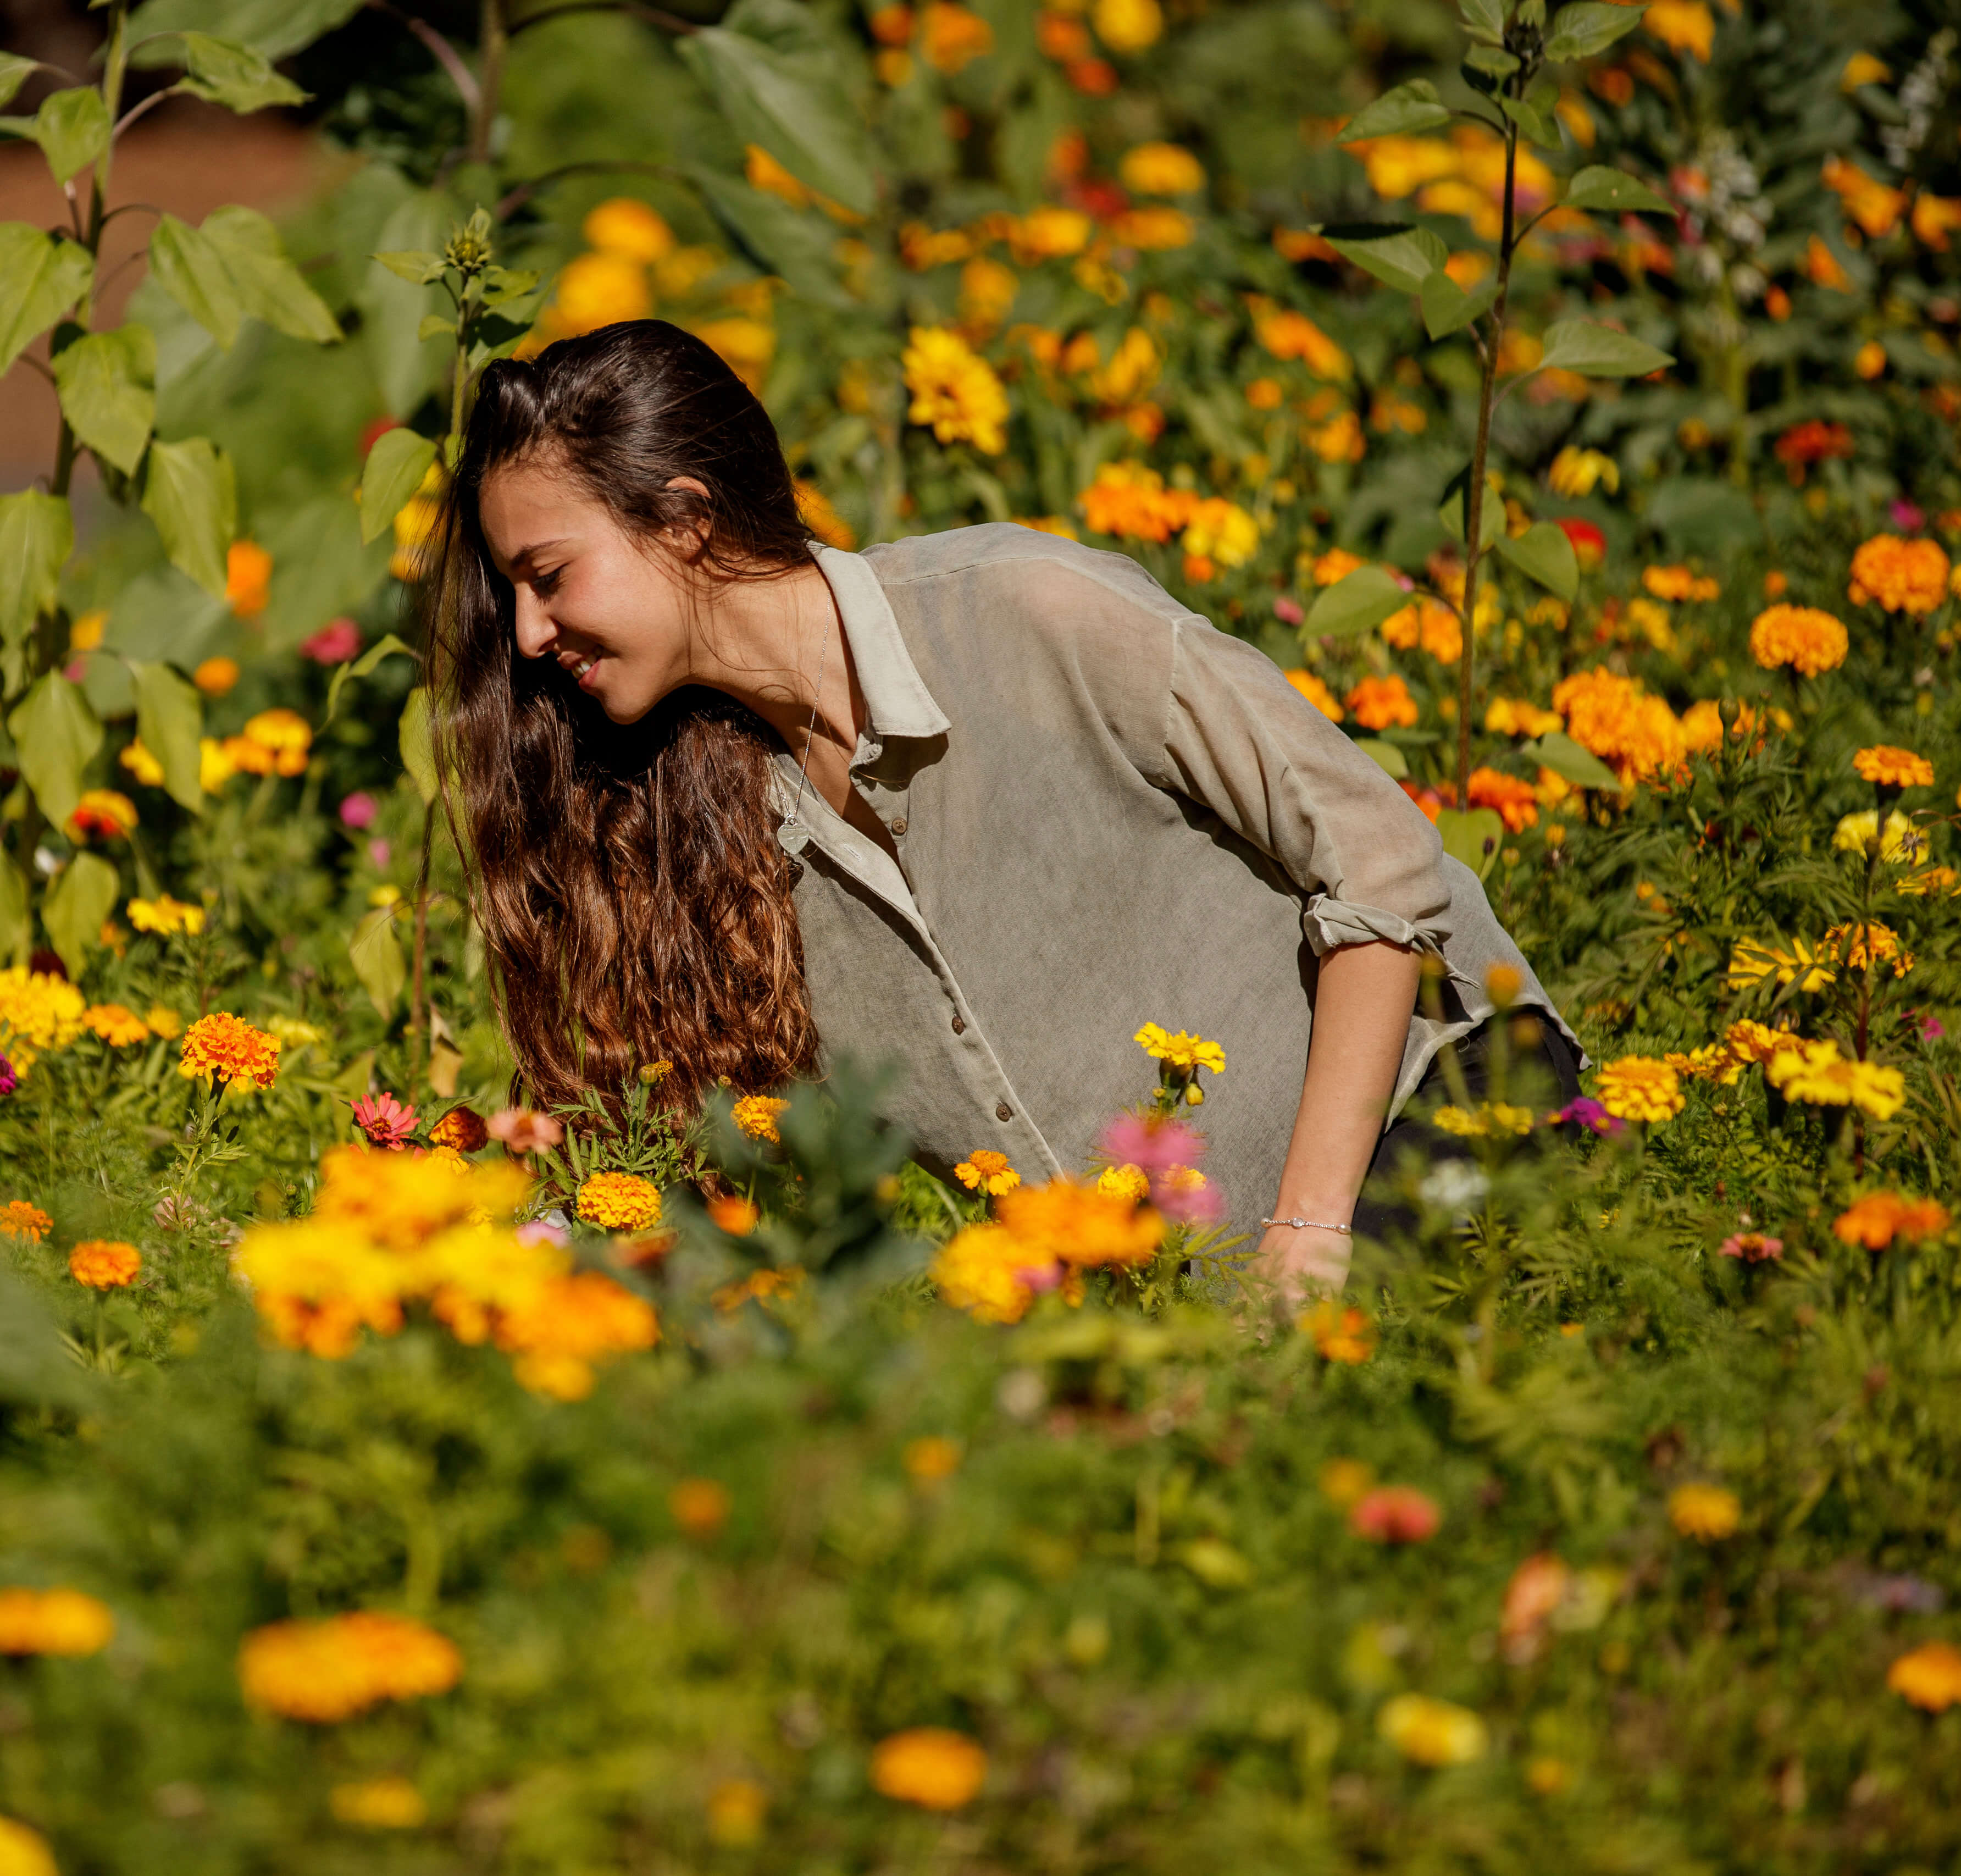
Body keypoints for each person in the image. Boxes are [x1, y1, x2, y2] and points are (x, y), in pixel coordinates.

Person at [425, 320, 1578, 1296]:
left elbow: (1380, 861)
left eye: (550, 575)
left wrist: (1309, 1238)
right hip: (1180, 1312)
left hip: (1442, 1124)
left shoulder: (1027, 611)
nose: (528, 635)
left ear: (683, 518)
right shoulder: (703, 827)